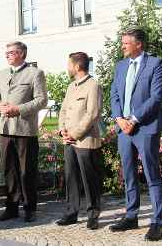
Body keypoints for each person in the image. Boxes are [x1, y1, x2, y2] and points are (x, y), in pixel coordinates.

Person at [109, 28, 162, 241]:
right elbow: (114, 94)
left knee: (152, 176)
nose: (122, 46)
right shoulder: (120, 66)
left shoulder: (155, 64)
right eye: (122, 42)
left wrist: (133, 119)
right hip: (124, 129)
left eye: (126, 43)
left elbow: (156, 97)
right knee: (129, 175)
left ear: (139, 44)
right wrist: (119, 119)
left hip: (145, 127)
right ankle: (131, 215)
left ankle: (157, 223)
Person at [0, 41, 47, 222]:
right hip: (5, 129)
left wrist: (19, 109)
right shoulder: (1, 74)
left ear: (22, 54)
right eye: (6, 53)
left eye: (11, 52)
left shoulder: (35, 73)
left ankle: (30, 208)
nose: (7, 55)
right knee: (9, 170)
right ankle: (11, 207)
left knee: (27, 171)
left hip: (25, 130)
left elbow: (41, 100)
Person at [56, 52, 103, 230]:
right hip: (69, 141)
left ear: (76, 67)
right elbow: (63, 110)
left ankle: (93, 215)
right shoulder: (71, 86)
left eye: (69, 64)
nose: (67, 68)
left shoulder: (93, 85)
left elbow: (93, 114)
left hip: (85, 141)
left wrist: (74, 133)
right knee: (71, 177)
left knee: (89, 179)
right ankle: (71, 212)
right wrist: (62, 130)